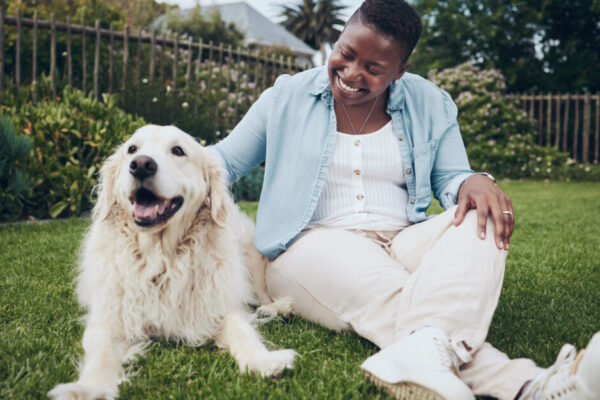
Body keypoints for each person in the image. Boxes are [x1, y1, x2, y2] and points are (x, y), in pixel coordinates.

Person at [209, 1, 599, 399]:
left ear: (400, 71)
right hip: (312, 244)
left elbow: (452, 177)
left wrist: (474, 181)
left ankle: (423, 352)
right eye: (346, 53)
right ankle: (531, 386)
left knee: (480, 217)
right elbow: (221, 162)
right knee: (394, 295)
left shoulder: (429, 101)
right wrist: (161, 164)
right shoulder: (286, 97)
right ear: (339, 39)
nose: (351, 73)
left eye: (374, 69)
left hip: (401, 239)